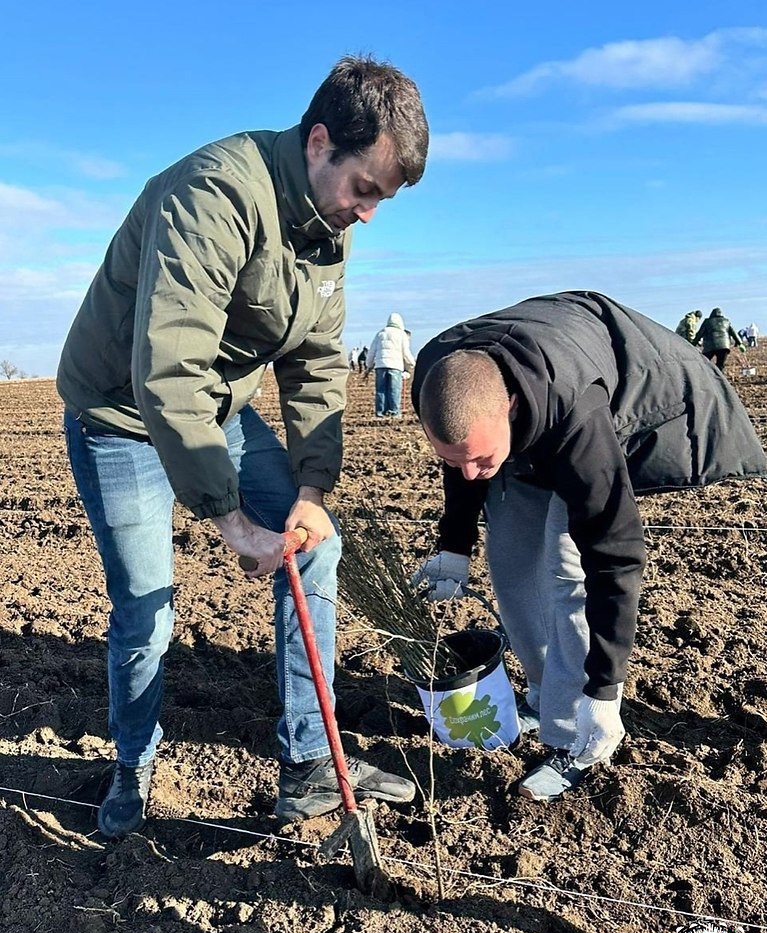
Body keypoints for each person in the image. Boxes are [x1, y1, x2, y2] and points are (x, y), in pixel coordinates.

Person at [56, 55, 429, 837]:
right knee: (146, 608)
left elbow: (318, 361)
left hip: (218, 408)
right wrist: (230, 520)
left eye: (381, 201)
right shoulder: (216, 192)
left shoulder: (327, 227)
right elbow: (168, 364)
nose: (367, 215)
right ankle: (133, 764)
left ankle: (307, 765)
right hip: (123, 414)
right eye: (364, 189)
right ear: (320, 141)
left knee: (312, 547)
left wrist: (310, 492)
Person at [411, 291, 766, 802]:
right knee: (510, 565)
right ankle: (541, 694)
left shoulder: (580, 419)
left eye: (480, 457)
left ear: (508, 408)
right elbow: (466, 454)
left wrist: (605, 690)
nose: (468, 474)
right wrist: (455, 544)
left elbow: (615, 556)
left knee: (563, 571)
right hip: (532, 420)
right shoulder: (438, 374)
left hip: (624, 401)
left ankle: (570, 734)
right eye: (452, 460)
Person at [365, 312, 416, 417]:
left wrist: (368, 364)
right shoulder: (401, 334)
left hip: (380, 366)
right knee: (394, 390)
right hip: (395, 366)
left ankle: (380, 412)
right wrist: (412, 363)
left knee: (381, 390)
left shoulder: (380, 333)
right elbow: (405, 352)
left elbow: (372, 351)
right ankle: (394, 412)